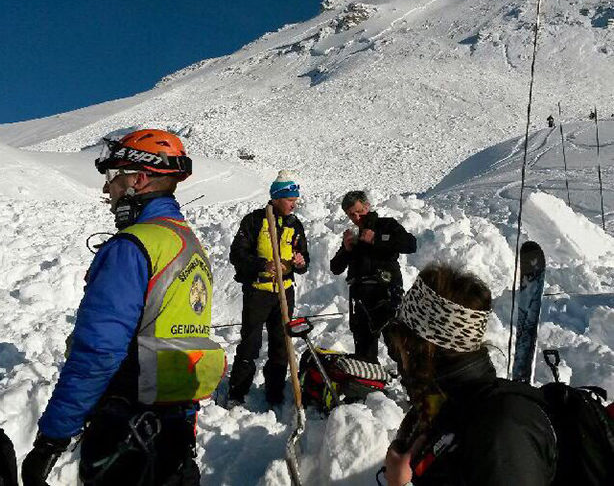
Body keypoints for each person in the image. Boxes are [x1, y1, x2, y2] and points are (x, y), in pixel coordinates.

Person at [22, 129, 224, 486]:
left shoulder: (132, 247)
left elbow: (98, 351)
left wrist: (53, 436)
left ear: (139, 179)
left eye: (113, 177)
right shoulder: (188, 244)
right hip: (175, 434)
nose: (107, 190)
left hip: (127, 430)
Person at [383, 264, 557, 486]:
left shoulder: (500, 432)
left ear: (421, 348)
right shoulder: (441, 406)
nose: (396, 355)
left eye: (396, 343)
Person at [226, 170, 310, 407]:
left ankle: (275, 392)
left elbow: (304, 259)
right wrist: (263, 265)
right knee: (250, 343)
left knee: (281, 343)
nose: (294, 205)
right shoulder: (254, 221)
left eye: (295, 200)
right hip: (258, 291)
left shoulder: (295, 225)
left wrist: (300, 263)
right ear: (276, 198)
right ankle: (237, 392)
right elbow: (237, 254)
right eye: (290, 200)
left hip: (285, 291)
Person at [329, 191, 416, 361]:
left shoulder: (386, 225)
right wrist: (346, 250)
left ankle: (414, 383)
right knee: (364, 352)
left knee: (399, 347)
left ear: (367, 206)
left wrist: (377, 239)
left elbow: (410, 244)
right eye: (351, 215)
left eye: (359, 212)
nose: (356, 217)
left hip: (387, 292)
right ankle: (368, 385)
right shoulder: (353, 235)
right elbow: (335, 268)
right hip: (361, 297)